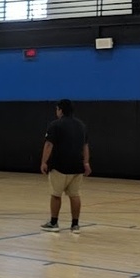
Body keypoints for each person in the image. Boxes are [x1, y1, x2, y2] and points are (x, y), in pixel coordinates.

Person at [40, 99, 90, 234]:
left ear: (60, 110)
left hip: (59, 166)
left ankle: (54, 222)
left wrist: (44, 162)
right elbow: (85, 146)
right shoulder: (81, 125)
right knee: (75, 195)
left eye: (57, 109)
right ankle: (75, 225)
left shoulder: (55, 125)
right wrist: (86, 163)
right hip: (77, 166)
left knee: (56, 195)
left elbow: (49, 145)